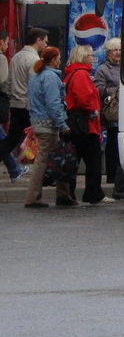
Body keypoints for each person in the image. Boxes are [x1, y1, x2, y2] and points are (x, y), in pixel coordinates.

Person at [23, 47, 73, 208]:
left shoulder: (36, 76)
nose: (60, 61)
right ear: (52, 60)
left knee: (58, 157)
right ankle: (34, 197)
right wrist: (62, 125)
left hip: (38, 122)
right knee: (44, 160)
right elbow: (53, 104)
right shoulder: (51, 77)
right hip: (48, 125)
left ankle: (63, 194)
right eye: (58, 58)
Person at [64, 45, 113, 205]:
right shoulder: (81, 75)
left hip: (77, 123)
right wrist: (93, 111)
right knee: (93, 161)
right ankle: (93, 193)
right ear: (84, 57)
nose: (93, 58)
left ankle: (68, 193)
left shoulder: (72, 73)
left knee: (74, 160)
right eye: (91, 55)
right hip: (85, 124)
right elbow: (84, 98)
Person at [0, 28, 49, 177]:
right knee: (44, 139)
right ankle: (46, 174)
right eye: (45, 42)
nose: (46, 45)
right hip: (28, 106)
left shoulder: (16, 57)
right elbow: (35, 85)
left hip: (16, 104)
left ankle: (19, 167)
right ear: (38, 40)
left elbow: (8, 82)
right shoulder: (34, 60)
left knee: (12, 139)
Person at [92, 38, 124, 196]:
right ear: (108, 53)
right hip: (113, 111)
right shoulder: (102, 69)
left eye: (119, 50)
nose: (118, 53)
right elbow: (98, 89)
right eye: (114, 50)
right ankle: (112, 176)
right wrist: (115, 91)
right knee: (113, 145)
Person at [0, 30, 26, 181]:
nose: (7, 45)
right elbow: (3, 81)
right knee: (6, 139)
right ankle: (15, 169)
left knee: (4, 138)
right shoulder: (2, 58)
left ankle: (15, 169)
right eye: (6, 42)